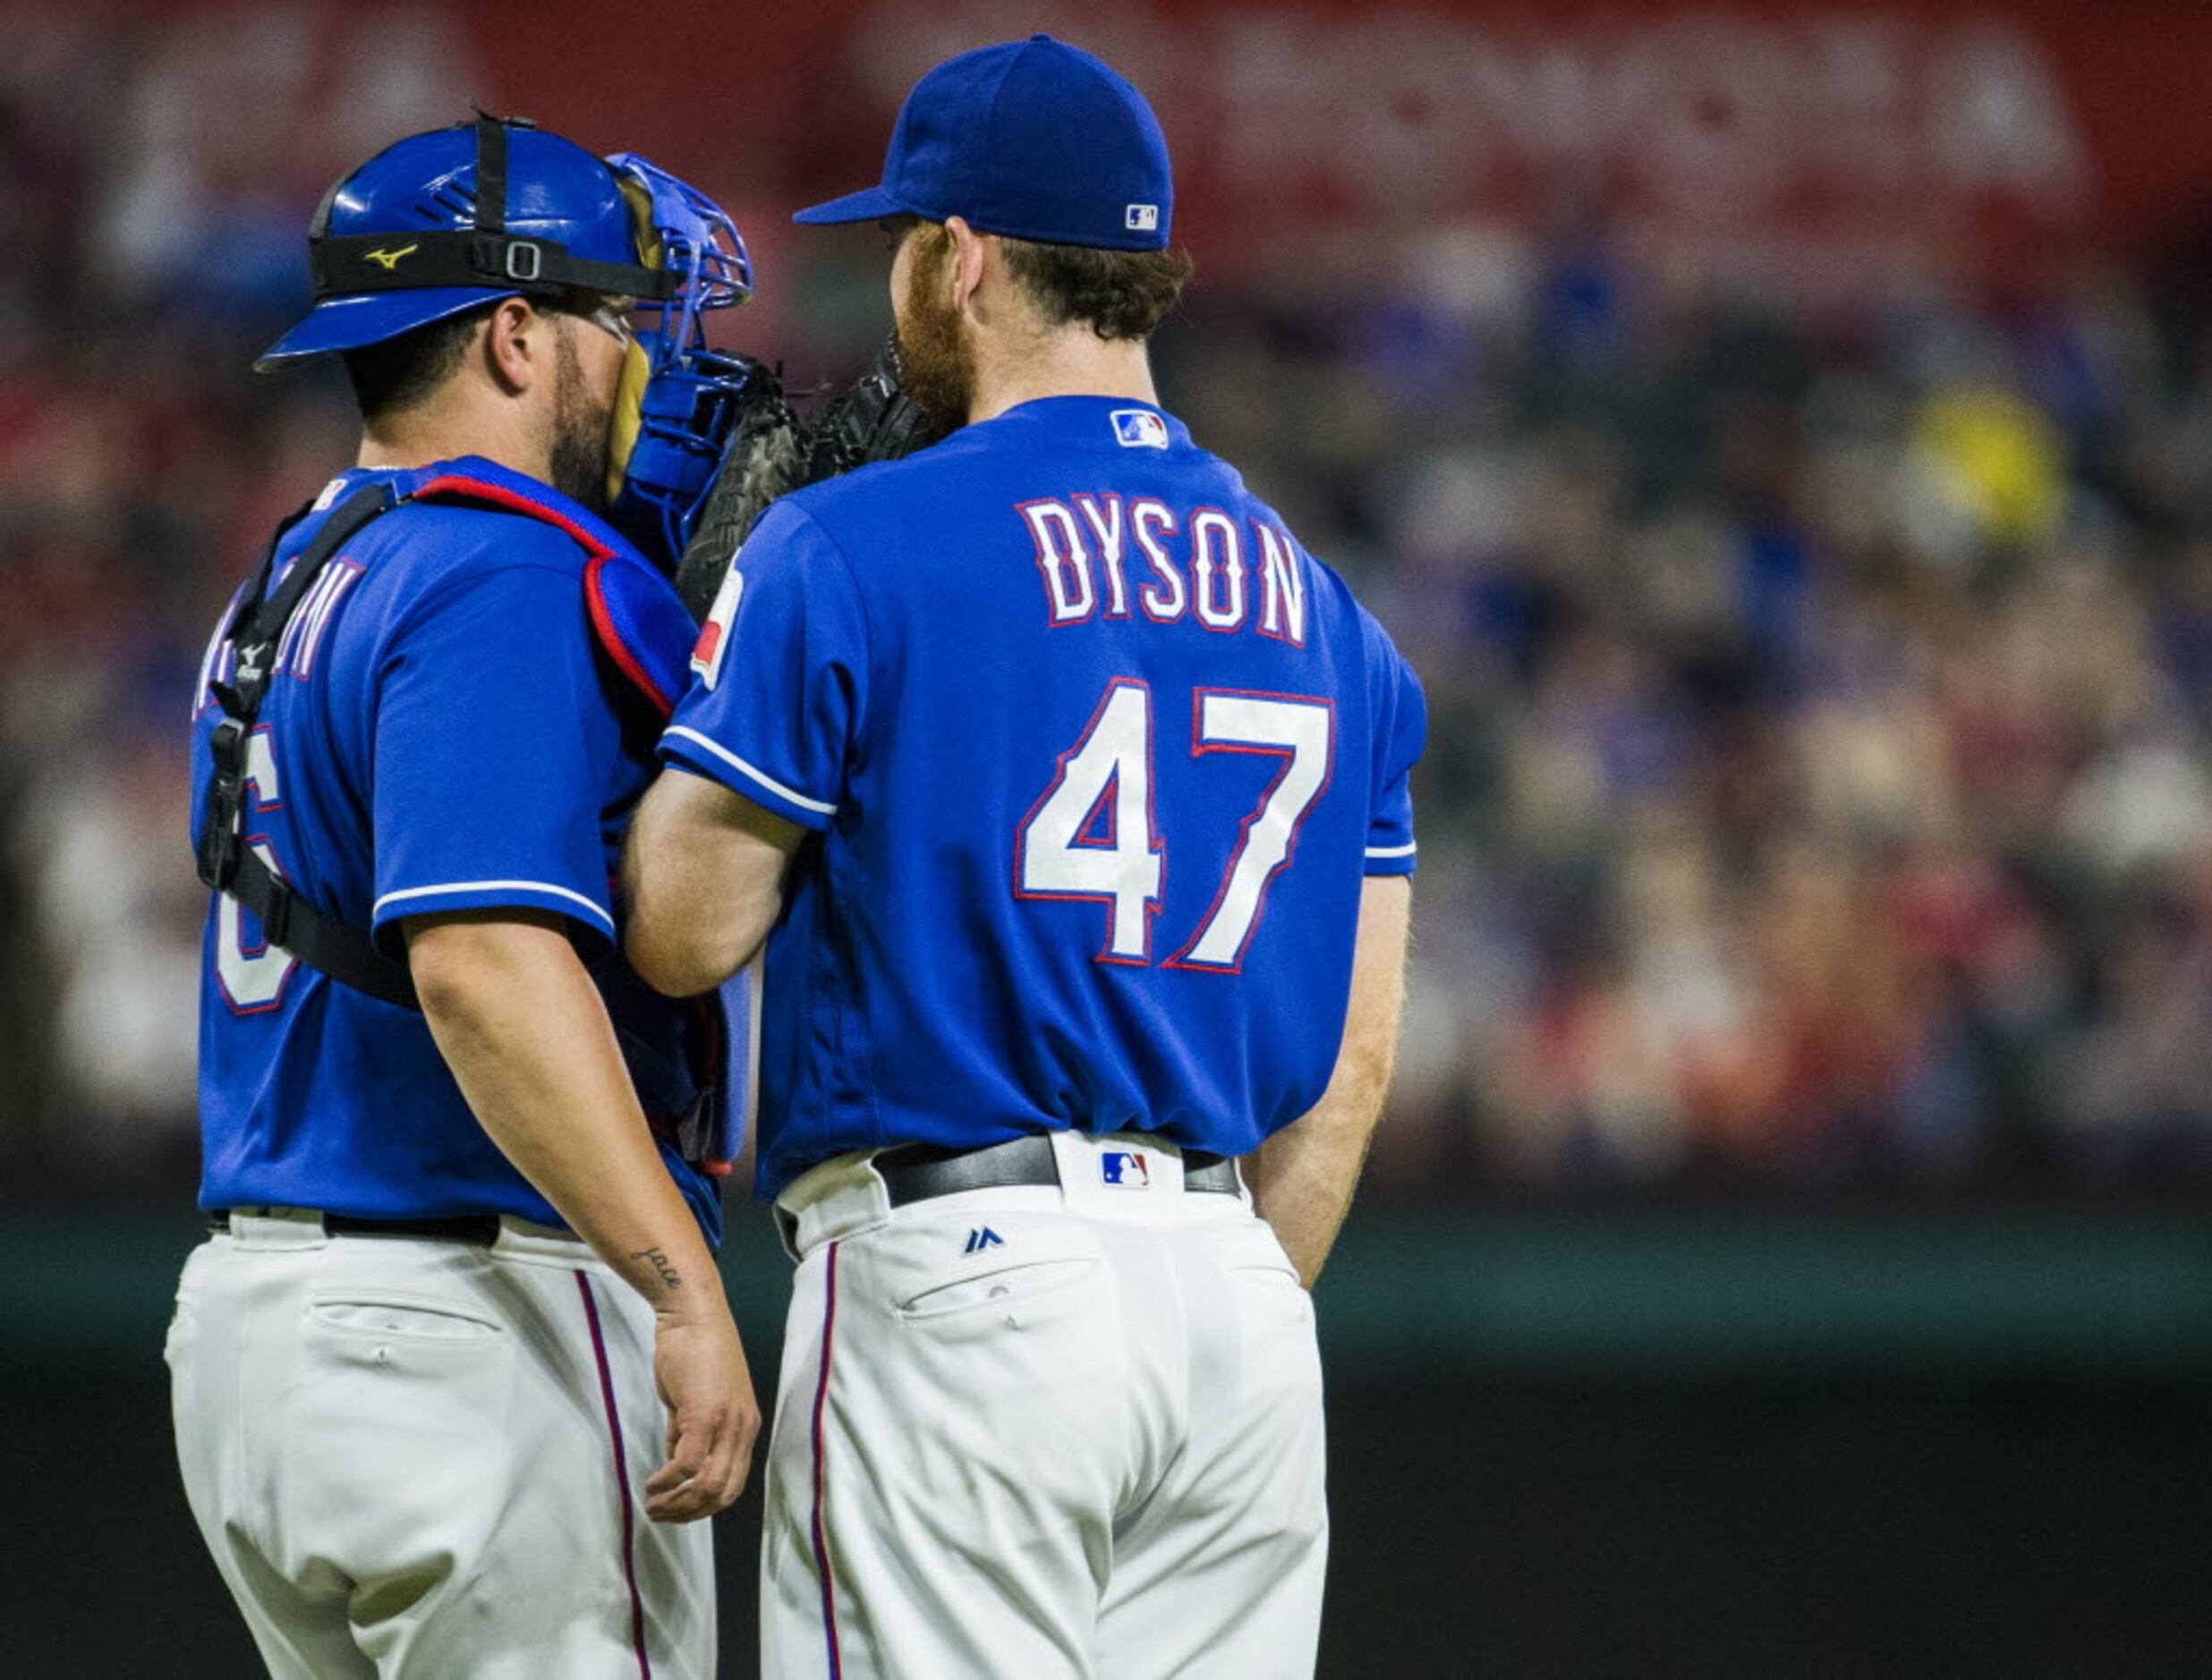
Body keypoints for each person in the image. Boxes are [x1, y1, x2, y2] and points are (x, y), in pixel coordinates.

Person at [625, 36, 1424, 1678]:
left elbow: (681, 933)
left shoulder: (851, 540)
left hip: (963, 1270)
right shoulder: (1328, 608)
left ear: (966, 258)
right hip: (1236, 1303)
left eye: (904, 245)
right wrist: (1219, 1286)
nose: (894, 282)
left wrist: (718, 637)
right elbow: (1350, 1062)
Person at [169, 115, 763, 1678]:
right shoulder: (497, 571)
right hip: (467, 1322)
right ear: (513, 334)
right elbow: (484, 968)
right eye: (618, 325)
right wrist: (681, 1284)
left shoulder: (294, 570)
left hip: (259, 1325)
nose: (648, 368)